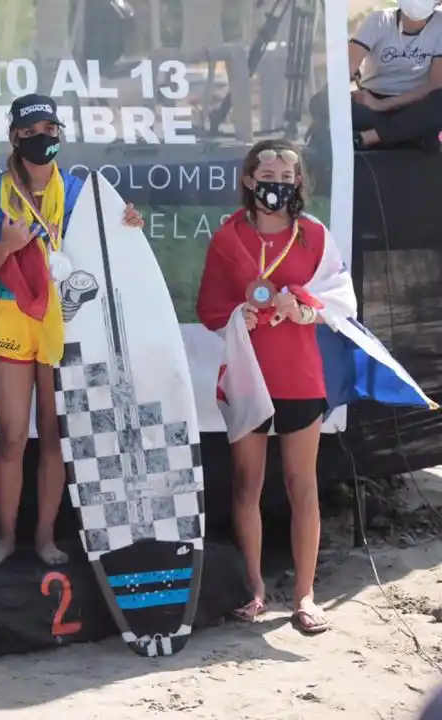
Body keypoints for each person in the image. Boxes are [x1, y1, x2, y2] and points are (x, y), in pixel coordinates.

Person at [0, 94, 145, 568]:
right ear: (15, 137)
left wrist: (129, 221)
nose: (42, 137)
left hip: (65, 317)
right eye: (31, 130)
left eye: (50, 128)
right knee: (11, 438)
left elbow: (115, 243)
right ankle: (5, 537)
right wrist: (5, 246)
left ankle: (44, 536)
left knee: (53, 434)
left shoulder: (82, 191)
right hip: (12, 317)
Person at [195, 140, 333, 635]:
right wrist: (239, 316)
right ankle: (254, 588)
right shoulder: (228, 237)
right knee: (246, 485)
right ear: (250, 181)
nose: (278, 181)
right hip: (248, 376)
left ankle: (306, 595)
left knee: (302, 487)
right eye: (268, 172)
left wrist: (306, 306)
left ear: (298, 184)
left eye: (288, 174)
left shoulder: (314, 235)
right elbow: (209, 308)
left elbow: (339, 297)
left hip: (300, 377)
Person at [346, 0, 442, 150]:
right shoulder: (378, 20)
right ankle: (403, 135)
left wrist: (382, 105)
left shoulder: (440, 25)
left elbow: (435, 84)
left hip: (416, 106)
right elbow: (347, 68)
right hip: (371, 102)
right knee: (323, 106)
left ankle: (369, 137)